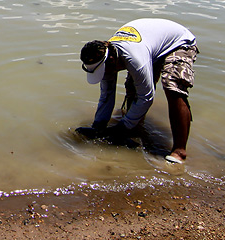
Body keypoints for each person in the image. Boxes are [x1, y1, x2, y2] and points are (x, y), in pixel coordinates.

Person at [76, 18, 198, 164]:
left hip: (178, 42)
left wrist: (121, 127)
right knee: (132, 89)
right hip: (150, 44)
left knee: (172, 87)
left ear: (113, 59)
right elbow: (106, 95)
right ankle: (134, 130)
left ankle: (179, 151)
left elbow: (147, 96)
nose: (104, 74)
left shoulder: (134, 58)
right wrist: (98, 127)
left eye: (104, 70)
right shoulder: (105, 59)